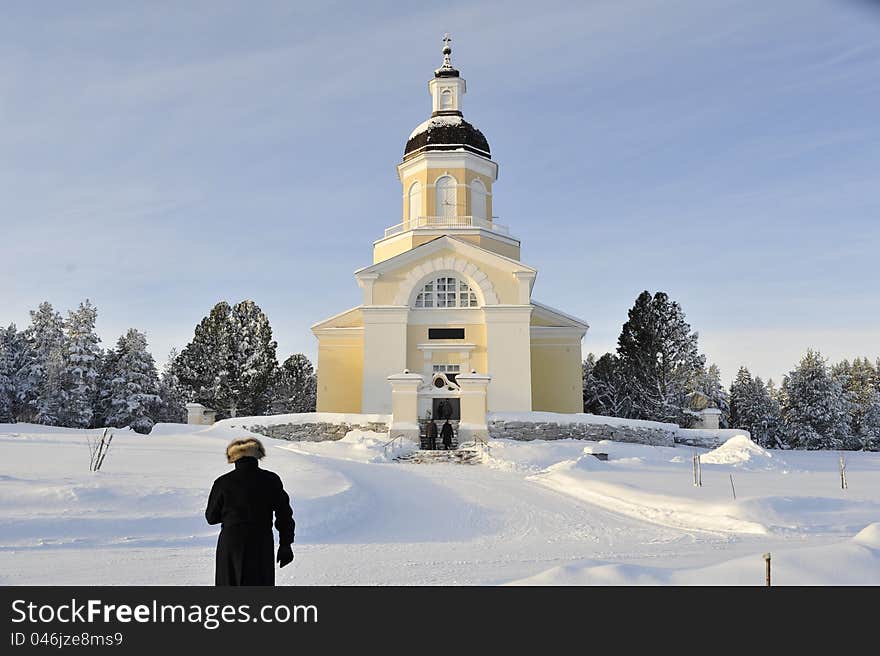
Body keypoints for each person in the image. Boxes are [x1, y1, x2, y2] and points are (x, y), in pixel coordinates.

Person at [205, 437, 295, 586]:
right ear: (258, 456)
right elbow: (284, 515)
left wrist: (232, 514)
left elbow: (211, 518)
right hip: (261, 540)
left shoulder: (223, 482)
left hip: (231, 541)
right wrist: (286, 544)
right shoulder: (271, 479)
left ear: (233, 458)